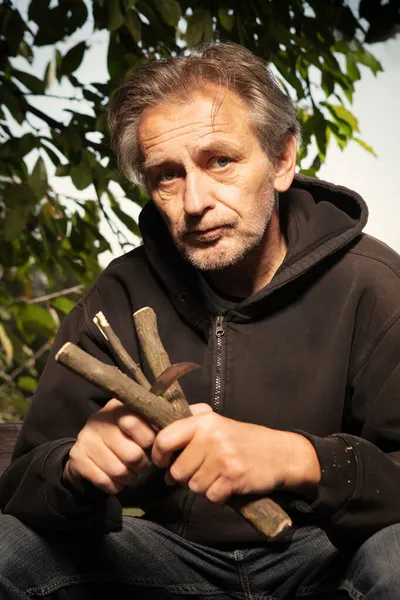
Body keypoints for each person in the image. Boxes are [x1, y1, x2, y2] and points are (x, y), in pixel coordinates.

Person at [0, 42, 399, 599]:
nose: (194, 201)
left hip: (327, 555)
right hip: (163, 559)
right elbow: (20, 488)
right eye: (167, 175)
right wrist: (73, 468)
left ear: (283, 161)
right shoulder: (118, 293)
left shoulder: (374, 283)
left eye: (220, 161)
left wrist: (300, 460)